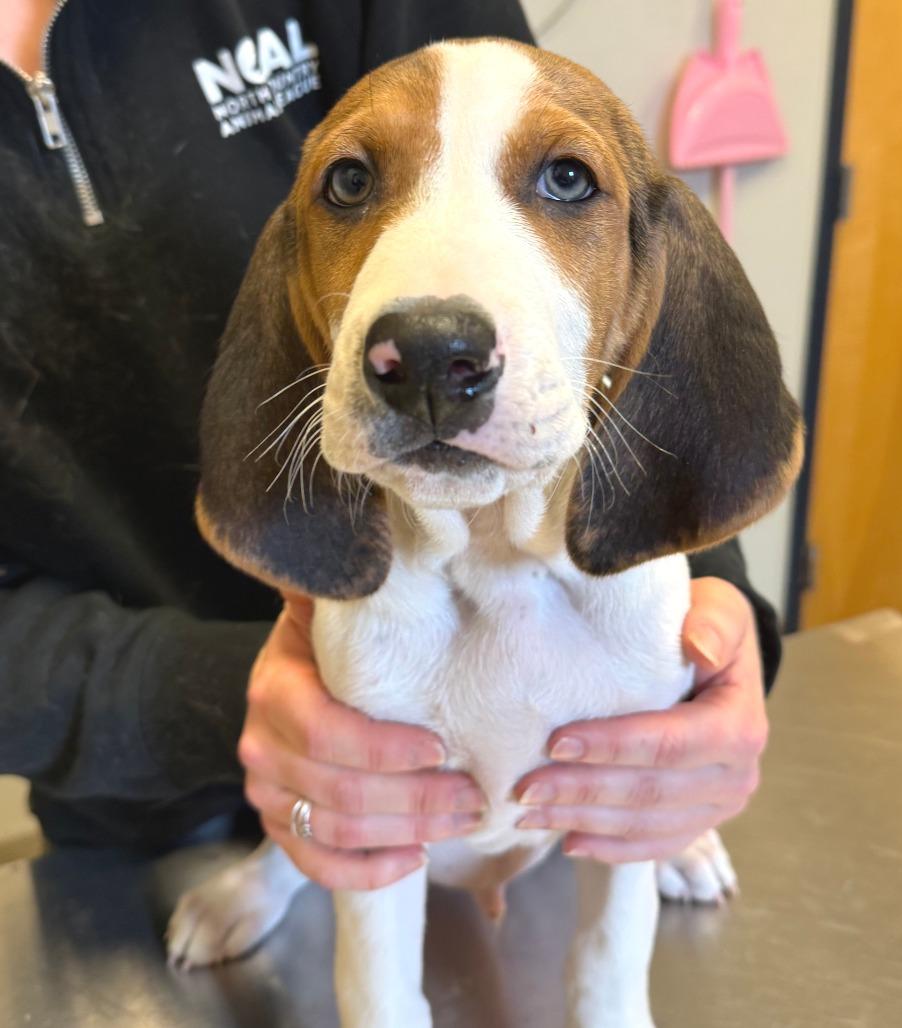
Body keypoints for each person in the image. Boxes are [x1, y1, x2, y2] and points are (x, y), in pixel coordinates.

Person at [0, 0, 778, 891]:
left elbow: (558, 175)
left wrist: (698, 645)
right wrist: (204, 701)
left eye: (562, 182)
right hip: (137, 804)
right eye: (352, 185)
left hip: (538, 707)